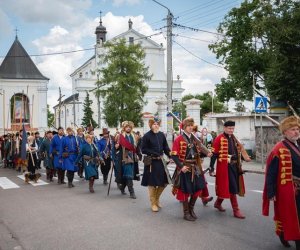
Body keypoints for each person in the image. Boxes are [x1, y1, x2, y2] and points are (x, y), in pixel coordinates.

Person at [262, 116, 300, 249]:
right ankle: (289, 238)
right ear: (285, 133)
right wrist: (271, 192)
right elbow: (271, 174)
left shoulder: (298, 145)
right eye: (292, 130)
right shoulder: (279, 149)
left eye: (297, 129)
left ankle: (284, 234)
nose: (296, 132)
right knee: (294, 217)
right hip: (289, 189)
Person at [171, 117, 212, 221]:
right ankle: (186, 213)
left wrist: (207, 153)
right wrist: (181, 167)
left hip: (196, 166)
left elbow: (198, 152)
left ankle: (191, 208)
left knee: (199, 187)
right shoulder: (178, 139)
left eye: (191, 126)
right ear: (184, 127)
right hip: (185, 167)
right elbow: (174, 155)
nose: (190, 128)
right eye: (188, 126)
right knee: (185, 190)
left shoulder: (194, 139)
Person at [209, 120, 251, 219]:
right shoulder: (219, 138)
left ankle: (218, 203)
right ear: (224, 128)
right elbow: (214, 154)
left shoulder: (234, 138)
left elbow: (238, 151)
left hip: (235, 166)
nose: (231, 130)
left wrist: (244, 158)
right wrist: (211, 168)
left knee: (230, 187)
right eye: (229, 128)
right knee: (232, 188)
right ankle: (236, 210)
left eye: (232, 128)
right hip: (224, 167)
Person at [141, 117, 171, 212]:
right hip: (151, 162)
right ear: (151, 125)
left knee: (164, 182)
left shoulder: (162, 135)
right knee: (152, 184)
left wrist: (171, 155)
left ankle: (157, 199)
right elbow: (143, 149)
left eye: (157, 124)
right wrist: (154, 152)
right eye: (154, 124)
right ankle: (153, 203)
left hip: (161, 162)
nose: (156, 125)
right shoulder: (146, 136)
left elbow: (166, 148)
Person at [114, 121, 139, 199]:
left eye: (129, 127)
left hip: (132, 157)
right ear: (124, 128)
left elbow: (136, 147)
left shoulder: (134, 136)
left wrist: (138, 154)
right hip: (124, 158)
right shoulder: (120, 136)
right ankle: (132, 192)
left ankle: (122, 187)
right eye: (126, 127)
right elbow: (115, 147)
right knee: (128, 175)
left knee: (128, 174)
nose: (128, 128)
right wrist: (117, 146)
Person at [192, 125, 213, 206]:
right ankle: (184, 198)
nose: (193, 132)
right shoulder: (184, 139)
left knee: (202, 181)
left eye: (194, 130)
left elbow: (200, 151)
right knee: (185, 184)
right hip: (187, 164)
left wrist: (207, 154)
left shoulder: (197, 141)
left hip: (197, 165)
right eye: (192, 130)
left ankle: (204, 198)